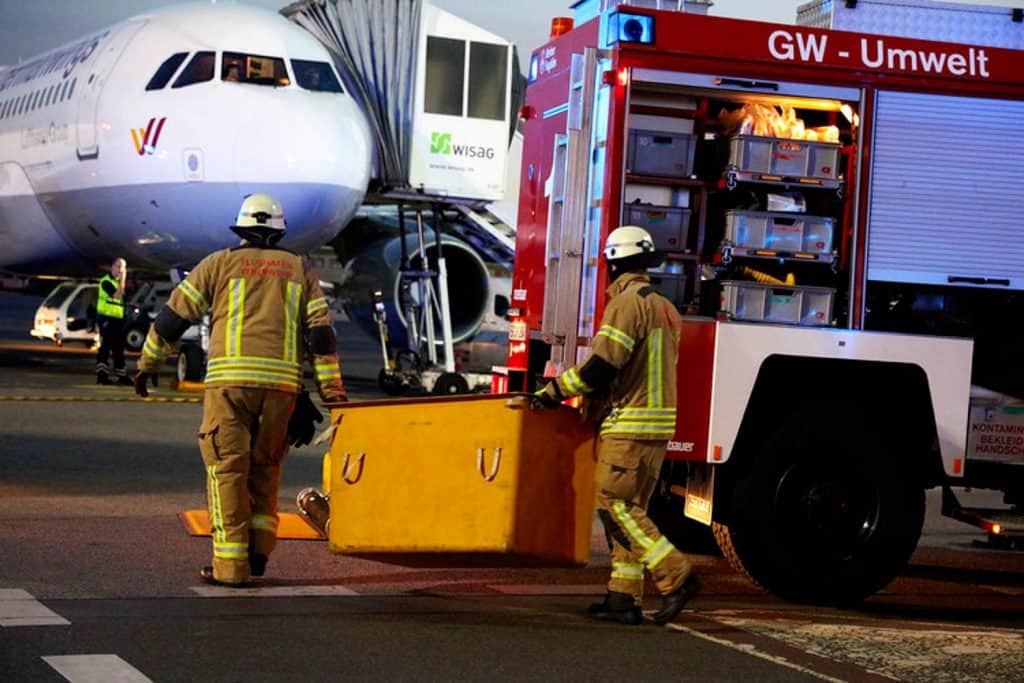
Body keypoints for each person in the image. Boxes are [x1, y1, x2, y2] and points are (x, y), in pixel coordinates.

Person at [133, 193, 347, 587]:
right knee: (265, 468)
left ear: (242, 228)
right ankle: (260, 550)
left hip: (229, 387)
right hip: (281, 389)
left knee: (227, 470)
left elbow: (172, 319)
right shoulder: (299, 269)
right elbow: (321, 338)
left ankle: (230, 567)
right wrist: (333, 396)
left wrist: (147, 364)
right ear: (279, 231)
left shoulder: (218, 264)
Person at [533, 225, 698, 626]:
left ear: (613, 264)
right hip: (656, 427)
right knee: (631, 509)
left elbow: (604, 366)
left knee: (615, 505)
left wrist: (554, 392)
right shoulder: (663, 305)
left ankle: (676, 576)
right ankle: (622, 600)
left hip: (630, 423)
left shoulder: (626, 304)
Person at [95, 257, 131, 385]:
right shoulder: (106, 281)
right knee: (106, 347)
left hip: (117, 320)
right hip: (106, 319)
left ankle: (122, 375)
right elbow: (117, 295)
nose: (120, 270)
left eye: (122, 267)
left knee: (118, 348)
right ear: (112, 267)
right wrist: (123, 280)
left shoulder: (117, 283)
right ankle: (102, 376)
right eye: (118, 266)